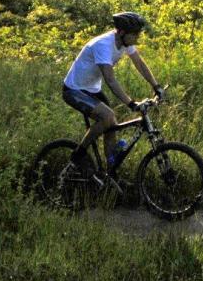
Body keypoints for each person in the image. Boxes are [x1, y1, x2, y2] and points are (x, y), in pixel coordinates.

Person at [61, 11, 164, 171]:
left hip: (92, 89)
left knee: (111, 126)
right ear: (122, 32)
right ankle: (77, 156)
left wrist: (156, 86)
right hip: (74, 90)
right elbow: (110, 80)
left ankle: (111, 173)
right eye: (135, 34)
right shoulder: (103, 45)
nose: (138, 37)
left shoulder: (126, 42)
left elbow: (140, 64)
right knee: (107, 117)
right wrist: (131, 103)